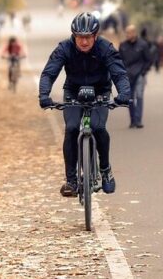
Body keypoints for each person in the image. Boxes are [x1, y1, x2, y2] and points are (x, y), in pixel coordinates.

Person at [39, 12, 131, 197]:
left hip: (100, 91)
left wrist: (123, 94)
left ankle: (105, 169)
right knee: (72, 128)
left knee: (98, 127)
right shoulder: (64, 48)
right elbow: (49, 73)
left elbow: (119, 74)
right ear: (74, 36)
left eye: (88, 37)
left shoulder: (105, 48)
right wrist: (44, 95)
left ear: (95, 36)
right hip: (73, 92)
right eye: (80, 37)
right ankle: (71, 180)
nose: (84, 41)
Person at [119, 25, 152, 129]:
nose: (127, 35)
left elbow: (148, 59)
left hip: (140, 74)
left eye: (129, 32)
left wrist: (144, 71)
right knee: (130, 98)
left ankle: (138, 120)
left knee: (139, 96)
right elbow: (119, 60)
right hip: (127, 75)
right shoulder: (123, 45)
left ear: (134, 33)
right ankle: (132, 120)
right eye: (126, 32)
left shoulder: (143, 44)